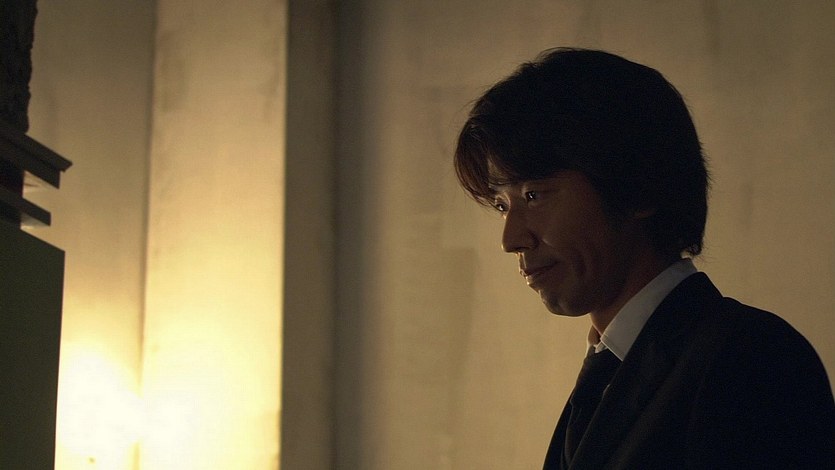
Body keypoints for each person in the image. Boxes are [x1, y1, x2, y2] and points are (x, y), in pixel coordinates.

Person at [453, 48, 835, 469]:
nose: (511, 240)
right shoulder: (609, 376)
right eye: (502, 205)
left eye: (533, 195)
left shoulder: (752, 362)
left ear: (636, 188)